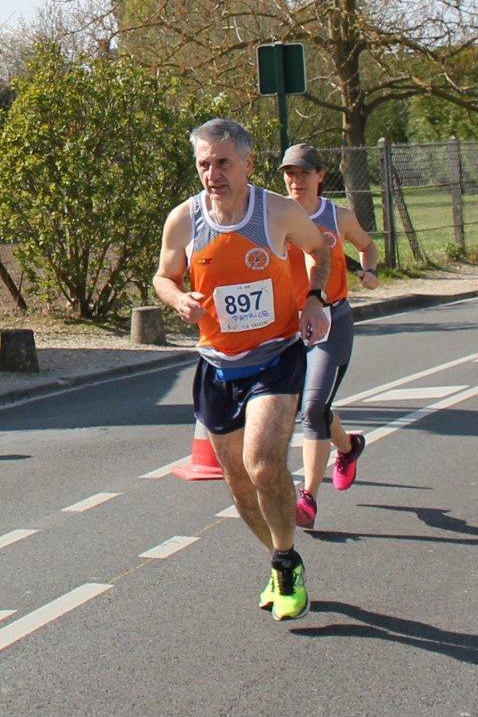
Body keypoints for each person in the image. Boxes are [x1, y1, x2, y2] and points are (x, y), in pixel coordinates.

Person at [153, 118, 330, 621]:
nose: (213, 174)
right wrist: (177, 297)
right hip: (217, 365)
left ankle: (287, 563)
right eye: (204, 164)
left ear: (247, 164)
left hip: (274, 356)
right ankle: (280, 559)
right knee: (237, 482)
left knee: (262, 462)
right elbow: (162, 276)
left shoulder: (276, 211)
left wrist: (314, 299)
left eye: (223, 163)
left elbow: (318, 249)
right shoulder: (184, 220)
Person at [279, 144, 379, 531]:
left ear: (321, 175)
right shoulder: (275, 215)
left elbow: (367, 246)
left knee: (313, 406)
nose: (295, 181)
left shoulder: (337, 217)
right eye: (289, 173)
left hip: (331, 321)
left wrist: (369, 271)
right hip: (287, 327)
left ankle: (307, 498)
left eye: (303, 173)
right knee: (310, 408)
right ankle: (349, 446)